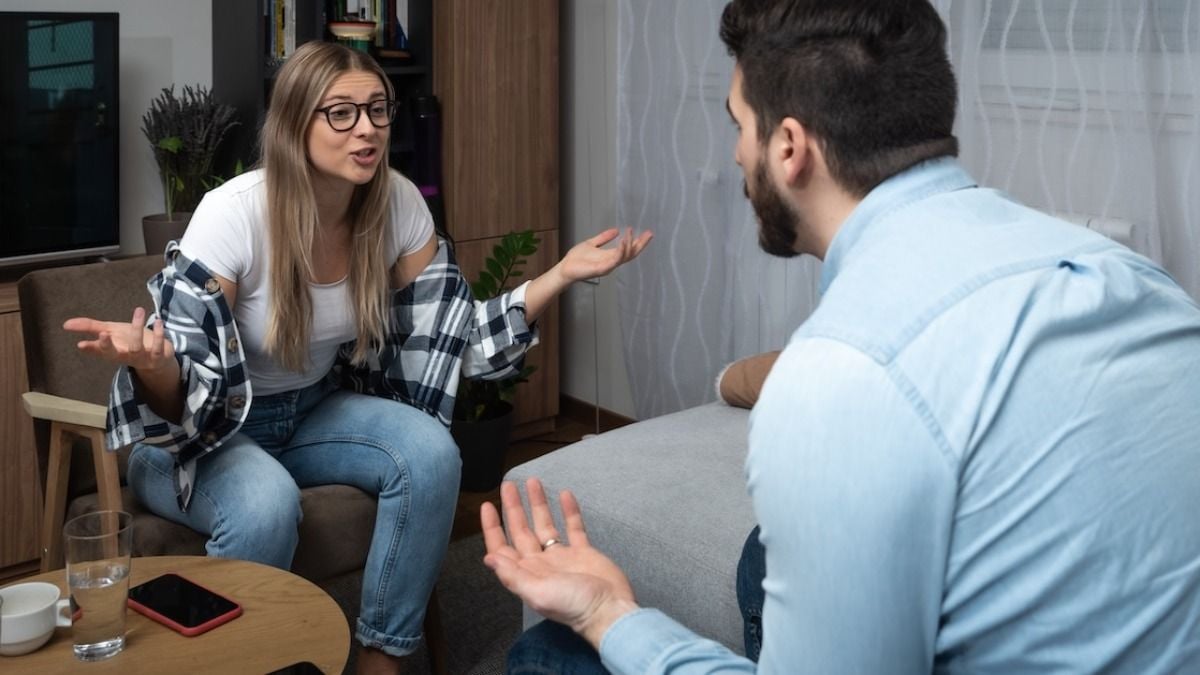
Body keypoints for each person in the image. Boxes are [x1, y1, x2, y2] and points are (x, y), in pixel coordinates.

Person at [481, 0, 1200, 673]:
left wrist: (610, 612)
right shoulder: (1132, 278)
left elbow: (868, 392)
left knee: (551, 652)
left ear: (789, 146)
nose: (736, 154)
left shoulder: (841, 381)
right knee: (763, 556)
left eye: (738, 125)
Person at [64, 41, 651, 673]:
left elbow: (459, 339)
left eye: (377, 108)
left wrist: (559, 275)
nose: (366, 128)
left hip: (311, 410)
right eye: (340, 113)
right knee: (265, 505)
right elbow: (183, 399)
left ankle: (381, 656)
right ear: (295, 123)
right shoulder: (233, 215)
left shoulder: (395, 203)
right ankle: (243, 662)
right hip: (197, 442)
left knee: (429, 452)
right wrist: (153, 365)